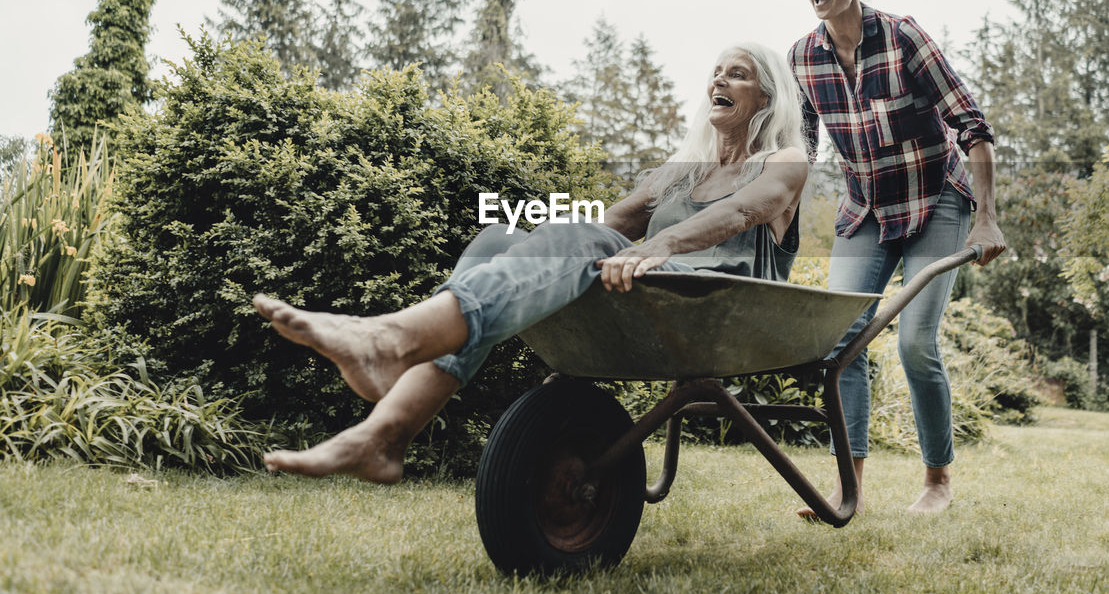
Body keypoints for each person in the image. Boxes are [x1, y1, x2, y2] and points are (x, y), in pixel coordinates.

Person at [254, 42, 808, 483]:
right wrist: (538, 249)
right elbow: (610, 224)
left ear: (766, 97)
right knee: (499, 238)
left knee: (579, 239)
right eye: (715, 71)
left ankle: (389, 342)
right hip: (646, 294)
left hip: (716, 309)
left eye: (736, 73)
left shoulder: (784, 161)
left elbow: (745, 209)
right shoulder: (682, 172)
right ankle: (385, 436)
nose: (718, 81)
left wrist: (659, 245)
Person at [789, 0, 1006, 516]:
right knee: (841, 343)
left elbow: (972, 125)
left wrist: (985, 220)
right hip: (866, 209)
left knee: (914, 342)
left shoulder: (902, 35)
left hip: (937, 199)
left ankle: (938, 482)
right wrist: (774, 212)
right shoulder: (804, 58)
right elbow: (800, 149)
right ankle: (849, 487)